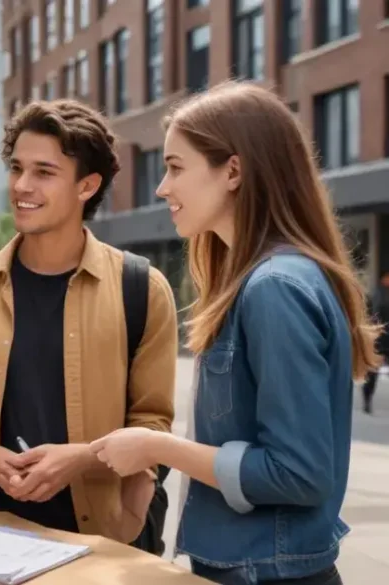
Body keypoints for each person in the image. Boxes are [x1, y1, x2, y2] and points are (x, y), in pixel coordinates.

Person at [90, 81, 378, 585]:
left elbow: (299, 473)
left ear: (233, 171)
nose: (162, 188)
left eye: (176, 167)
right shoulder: (262, 281)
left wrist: (156, 448)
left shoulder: (275, 288)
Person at [0, 99, 178, 546]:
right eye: (17, 168)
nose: (22, 185)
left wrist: (80, 459)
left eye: (44, 172)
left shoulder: (141, 288)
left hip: (103, 542)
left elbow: (154, 430)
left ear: (87, 185)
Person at [360, 272, 389, 414]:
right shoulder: (378, 295)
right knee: (373, 372)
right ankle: (367, 398)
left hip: (382, 339)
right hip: (379, 339)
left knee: (373, 372)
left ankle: (367, 398)